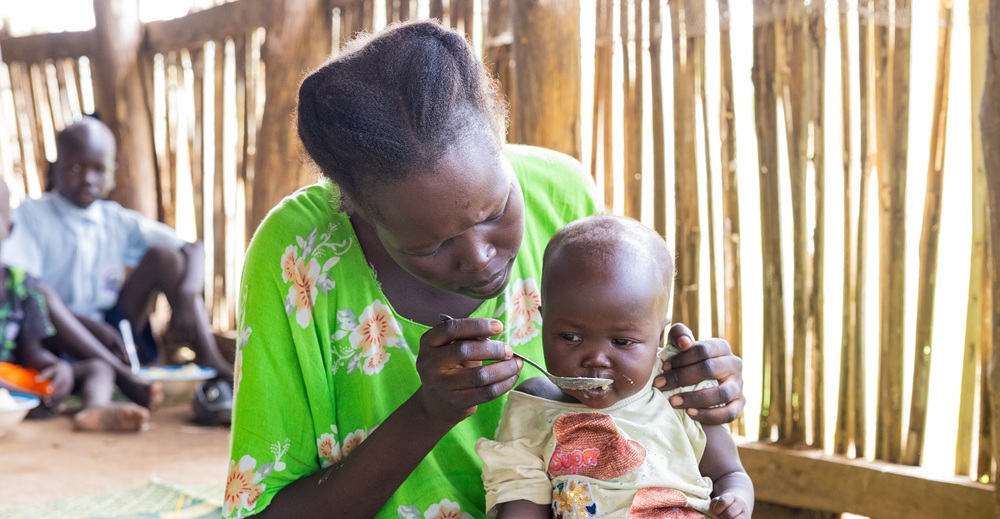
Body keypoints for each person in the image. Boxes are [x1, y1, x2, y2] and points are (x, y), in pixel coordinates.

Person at [227, 20, 745, 519]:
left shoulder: (562, 196)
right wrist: (427, 413)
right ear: (355, 209)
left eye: (496, 212)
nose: (479, 256)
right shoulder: (300, 256)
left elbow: (637, 381)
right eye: (430, 245)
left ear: (500, 138)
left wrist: (696, 380)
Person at [476, 215, 753, 519]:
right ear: (544, 322)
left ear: (658, 336)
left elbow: (730, 473)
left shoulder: (677, 392)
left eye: (621, 342)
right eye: (570, 337)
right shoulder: (534, 410)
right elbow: (521, 498)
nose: (596, 358)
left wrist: (735, 501)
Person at [0, 116, 234, 386]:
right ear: (54, 169)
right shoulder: (32, 216)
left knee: (164, 258)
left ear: (113, 171)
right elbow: (28, 293)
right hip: (56, 330)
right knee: (42, 293)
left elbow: (193, 248)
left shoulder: (116, 220)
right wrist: (90, 327)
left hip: (111, 326)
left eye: (98, 169)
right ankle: (123, 378)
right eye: (75, 167)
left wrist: (187, 292)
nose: (87, 178)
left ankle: (210, 359)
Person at [0, 177, 150, 432]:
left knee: (98, 368)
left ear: (10, 229)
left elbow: (32, 351)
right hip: (10, 391)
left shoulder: (21, 285)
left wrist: (55, 368)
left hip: (19, 380)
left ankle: (96, 408)